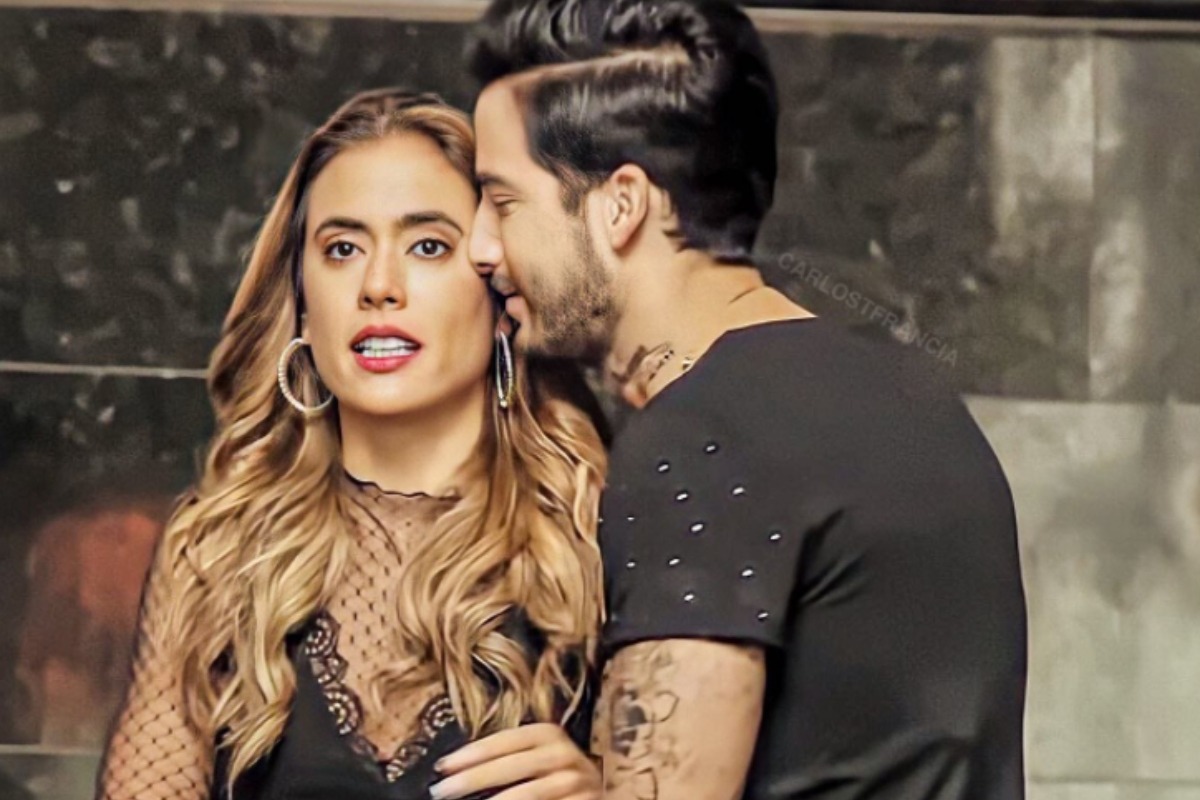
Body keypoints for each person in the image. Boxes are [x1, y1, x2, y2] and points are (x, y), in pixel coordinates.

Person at [429, 1, 1028, 798]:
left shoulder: (702, 437)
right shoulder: (913, 395)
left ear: (621, 204)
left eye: (503, 202)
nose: (479, 246)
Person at [95, 88, 608, 800]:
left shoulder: (596, 532)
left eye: (427, 246)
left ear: (500, 290)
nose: (378, 286)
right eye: (342, 249)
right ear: (304, 302)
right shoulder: (216, 551)